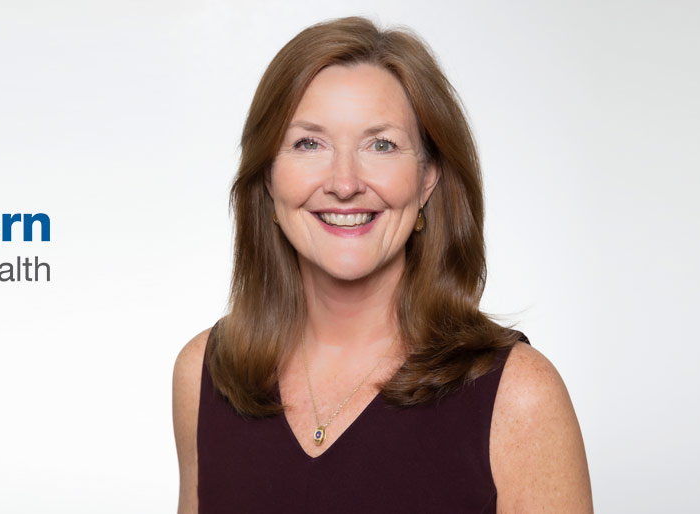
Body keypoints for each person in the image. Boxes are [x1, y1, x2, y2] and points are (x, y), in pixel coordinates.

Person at [171, 17, 592, 513]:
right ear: (268, 175)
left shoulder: (520, 398)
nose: (345, 183)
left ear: (428, 178)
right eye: (309, 143)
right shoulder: (204, 375)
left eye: (381, 145)